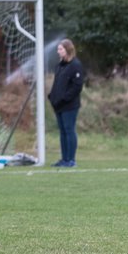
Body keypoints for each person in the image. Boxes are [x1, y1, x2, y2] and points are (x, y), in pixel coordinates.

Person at [49, 39, 85, 167]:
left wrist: (64, 98)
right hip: (58, 104)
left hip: (70, 105)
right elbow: (57, 83)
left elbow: (77, 87)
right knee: (62, 131)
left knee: (69, 130)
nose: (58, 51)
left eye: (60, 49)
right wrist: (52, 96)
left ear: (68, 50)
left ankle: (71, 160)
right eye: (58, 49)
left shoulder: (75, 65)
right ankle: (64, 159)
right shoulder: (60, 65)